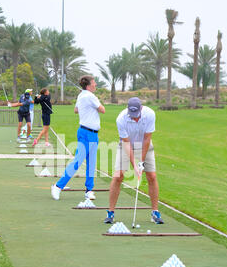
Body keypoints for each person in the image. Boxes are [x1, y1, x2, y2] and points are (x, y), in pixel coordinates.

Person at [104, 97, 164, 225]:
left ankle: (155, 212)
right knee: (118, 176)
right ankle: (110, 212)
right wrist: (135, 166)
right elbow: (126, 144)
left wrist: (141, 162)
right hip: (126, 145)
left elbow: (147, 138)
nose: (135, 118)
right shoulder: (121, 119)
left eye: (136, 115)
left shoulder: (150, 114)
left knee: (152, 176)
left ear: (141, 109)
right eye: (132, 115)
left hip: (145, 145)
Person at [51, 75, 105, 201]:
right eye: (94, 82)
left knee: (91, 163)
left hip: (92, 134)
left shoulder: (82, 96)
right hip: (86, 133)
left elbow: (76, 110)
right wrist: (95, 101)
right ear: (89, 84)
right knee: (78, 161)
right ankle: (58, 186)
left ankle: (89, 190)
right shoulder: (89, 96)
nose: (96, 84)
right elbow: (103, 110)